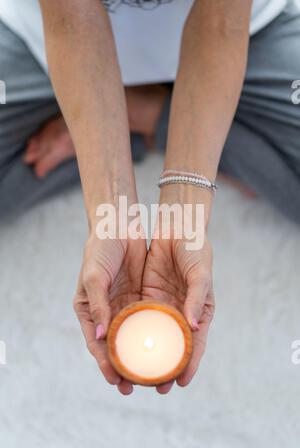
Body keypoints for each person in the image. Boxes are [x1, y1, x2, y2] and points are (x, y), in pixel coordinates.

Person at [0, 0, 300, 395]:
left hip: (246, 39)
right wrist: (111, 210)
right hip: (51, 46)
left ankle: (146, 113)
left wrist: (185, 216)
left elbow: (222, 22)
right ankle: (194, 133)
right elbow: (71, 19)